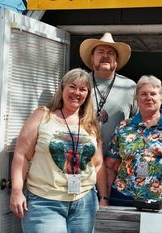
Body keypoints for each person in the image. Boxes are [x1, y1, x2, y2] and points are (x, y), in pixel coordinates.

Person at [9, 68, 108, 233]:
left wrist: (104, 198)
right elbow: (22, 155)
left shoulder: (91, 123)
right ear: (62, 88)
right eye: (72, 86)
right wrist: (16, 191)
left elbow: (97, 164)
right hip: (45, 201)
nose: (77, 92)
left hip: (84, 202)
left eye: (83, 89)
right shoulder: (43, 115)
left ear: (88, 94)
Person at [105, 75, 162, 209]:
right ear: (137, 99)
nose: (148, 98)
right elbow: (111, 165)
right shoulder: (123, 127)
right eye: (143, 94)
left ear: (161, 97)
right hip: (124, 197)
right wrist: (106, 198)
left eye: (153, 94)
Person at [79, 32, 138, 156]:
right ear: (92, 58)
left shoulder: (130, 87)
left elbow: (140, 123)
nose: (105, 56)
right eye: (100, 52)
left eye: (110, 53)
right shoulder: (80, 84)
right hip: (82, 161)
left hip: (116, 162)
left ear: (116, 61)